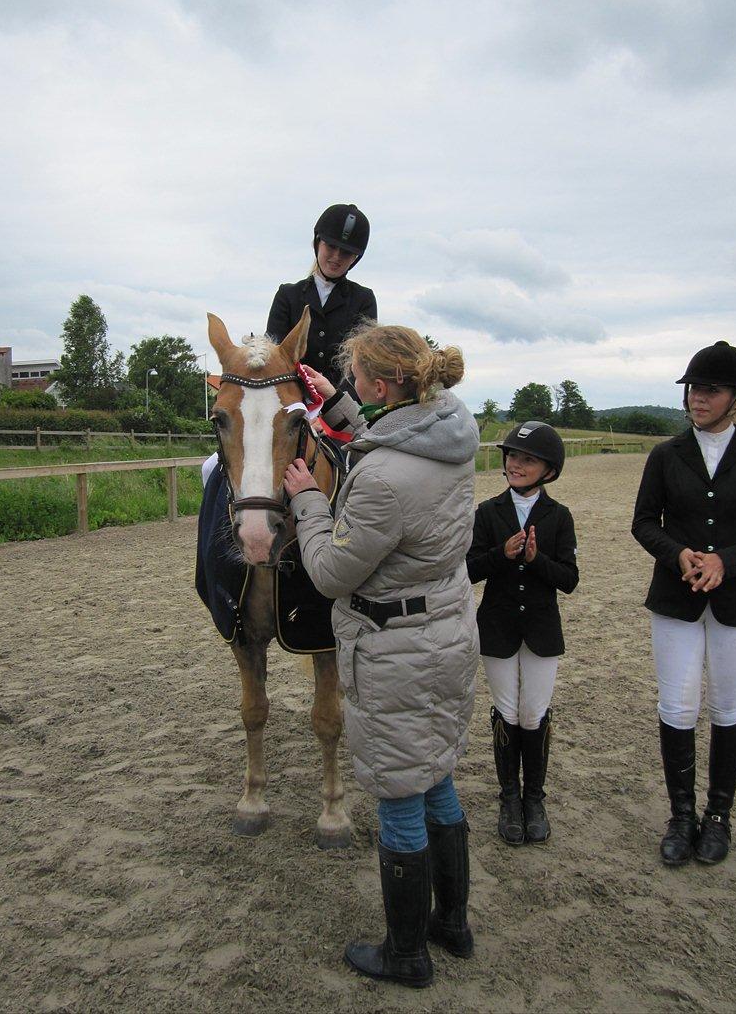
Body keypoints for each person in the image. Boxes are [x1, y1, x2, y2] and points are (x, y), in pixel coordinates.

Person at [282, 323, 480, 989]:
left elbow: (333, 574)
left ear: (385, 383)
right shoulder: (452, 428)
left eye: (359, 378)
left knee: (399, 793)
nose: (354, 388)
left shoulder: (383, 482)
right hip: (448, 632)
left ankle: (406, 954)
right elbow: (391, 429)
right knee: (437, 778)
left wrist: (309, 501)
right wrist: (329, 402)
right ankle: (451, 924)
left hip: (397, 648)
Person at [632, 340, 736, 867]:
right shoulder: (665, 454)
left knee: (727, 708)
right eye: (693, 389)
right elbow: (643, 523)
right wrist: (678, 553)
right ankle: (682, 814)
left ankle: (718, 817)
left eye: (711, 390)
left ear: (735, 398)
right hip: (676, 598)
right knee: (677, 706)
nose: (698, 398)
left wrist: (726, 560)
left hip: (735, 600)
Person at [466, 423, 578, 846]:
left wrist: (534, 560)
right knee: (507, 712)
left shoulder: (559, 516)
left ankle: (535, 798)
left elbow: (569, 579)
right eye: (512, 455)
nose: (515, 463)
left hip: (542, 629)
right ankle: (509, 798)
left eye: (527, 458)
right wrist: (502, 554)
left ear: (549, 469)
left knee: (534, 714)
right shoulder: (488, 512)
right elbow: (469, 570)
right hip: (496, 626)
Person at [266, 204, 376, 388]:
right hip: (291, 400)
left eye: (346, 252)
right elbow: (275, 356)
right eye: (331, 246)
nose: (336, 257)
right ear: (317, 242)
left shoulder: (363, 300)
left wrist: (335, 403)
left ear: (355, 257)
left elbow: (361, 363)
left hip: (342, 402)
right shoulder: (287, 295)